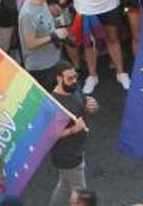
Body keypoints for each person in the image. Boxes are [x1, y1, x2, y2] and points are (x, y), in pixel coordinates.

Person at [49, 61, 97, 206]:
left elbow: (86, 108)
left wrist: (92, 107)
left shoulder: (74, 88)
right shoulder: (53, 103)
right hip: (67, 154)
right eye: (69, 78)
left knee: (64, 185)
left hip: (76, 148)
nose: (74, 81)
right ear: (59, 78)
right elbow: (49, 136)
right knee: (80, 194)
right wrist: (72, 130)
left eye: (75, 76)